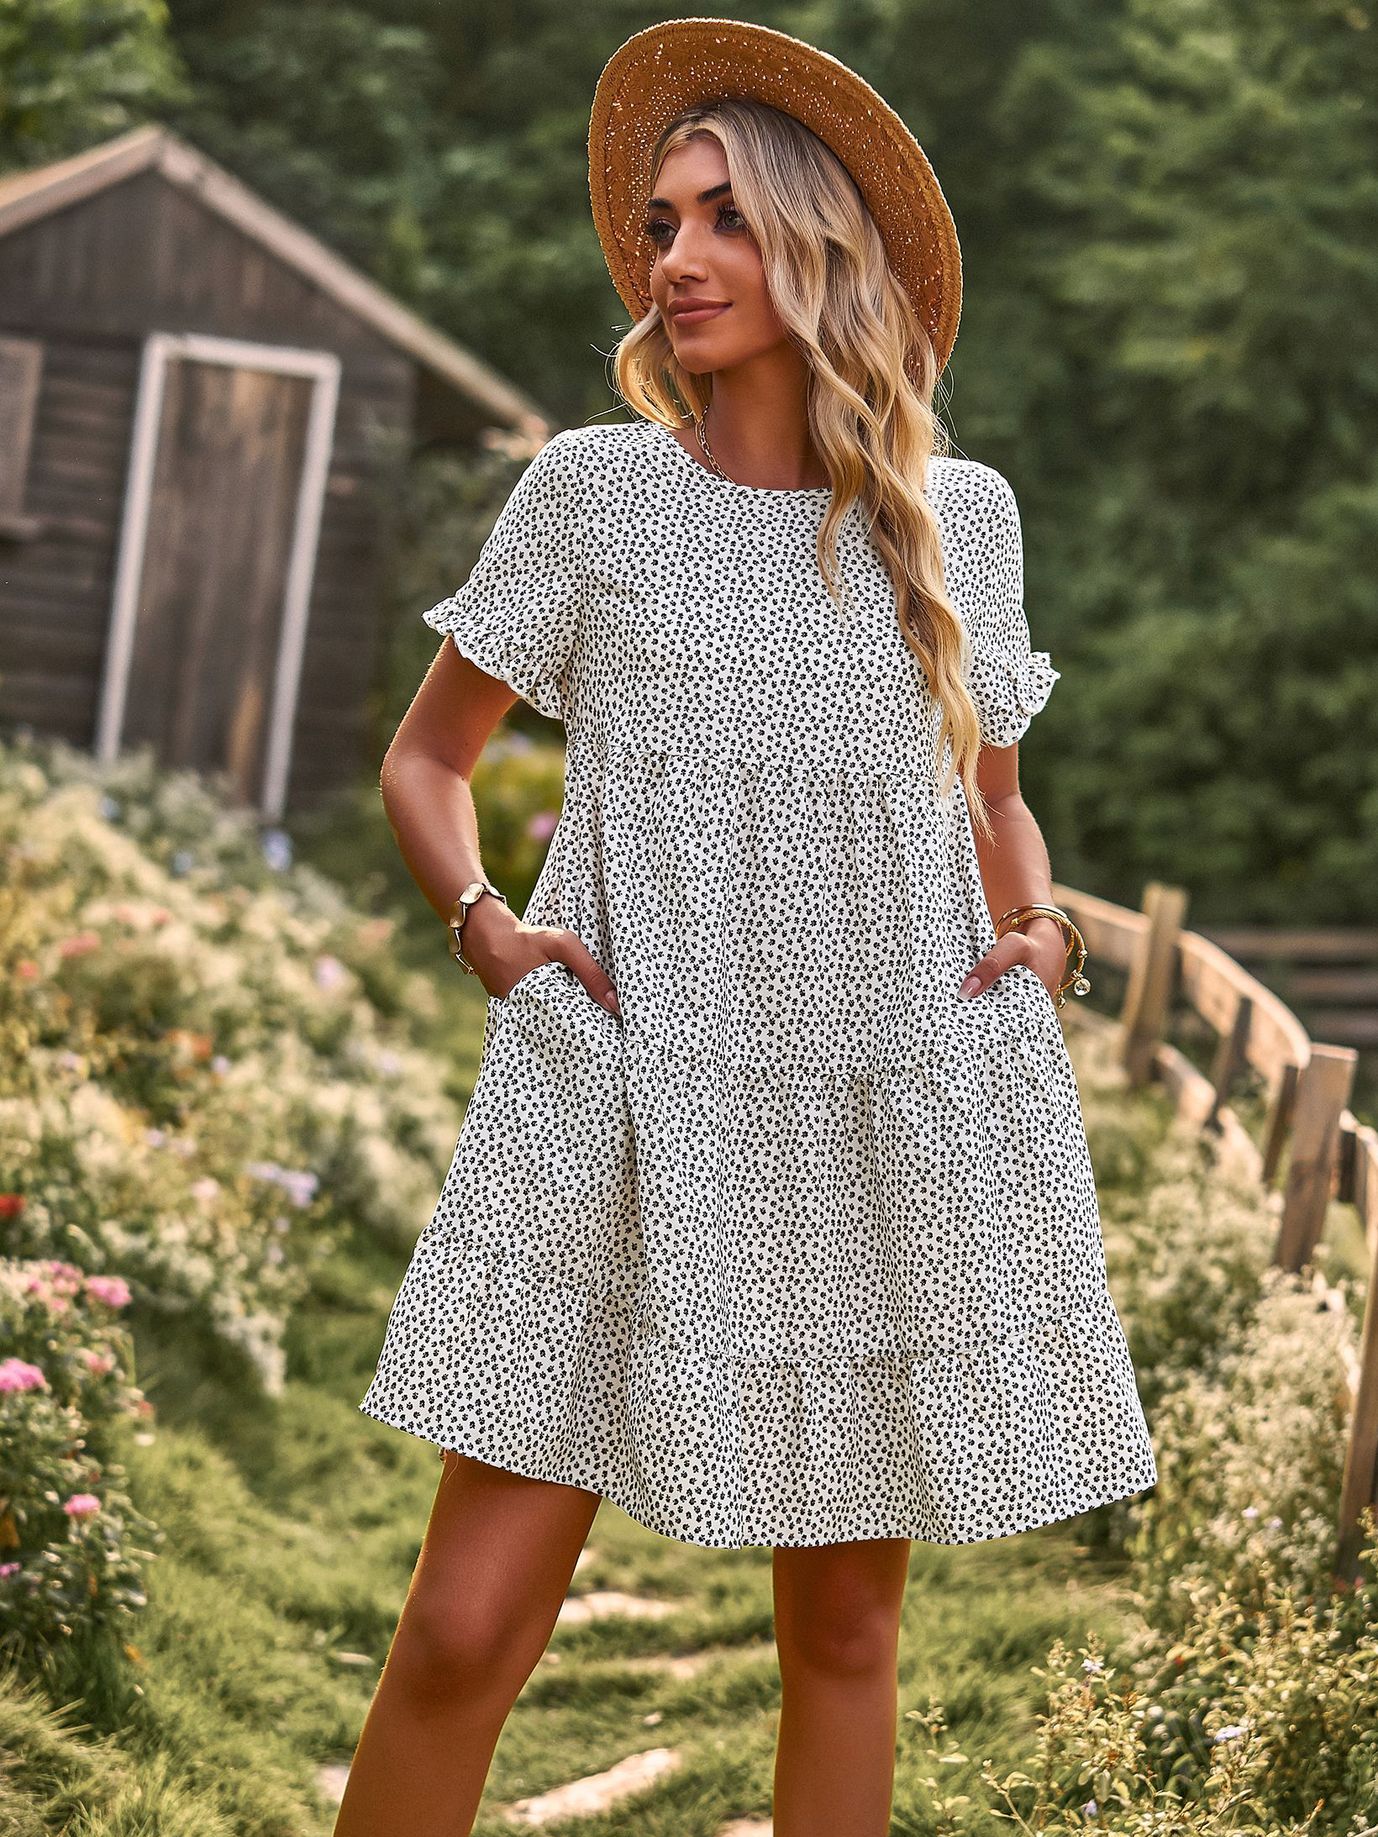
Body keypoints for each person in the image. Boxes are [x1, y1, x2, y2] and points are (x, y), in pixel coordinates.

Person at [337, 18, 1158, 1837]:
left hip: (878, 1105)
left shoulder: (958, 521)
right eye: (660, 224)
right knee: (463, 1630)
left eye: (725, 220)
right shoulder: (592, 493)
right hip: (623, 1095)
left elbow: (992, 795)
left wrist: (1038, 933)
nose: (676, 259)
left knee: (845, 1633)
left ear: (823, 250)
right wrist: (483, 922)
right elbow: (426, 757)